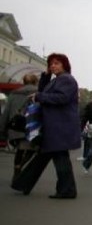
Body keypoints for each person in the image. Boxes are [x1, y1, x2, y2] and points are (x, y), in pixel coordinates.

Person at [11, 53, 81, 198]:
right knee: (46, 156)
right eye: (51, 64)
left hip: (60, 126)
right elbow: (43, 91)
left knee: (59, 158)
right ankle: (24, 184)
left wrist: (39, 97)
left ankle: (67, 190)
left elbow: (61, 98)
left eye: (56, 63)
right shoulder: (58, 79)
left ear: (64, 65)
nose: (53, 66)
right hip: (56, 125)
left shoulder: (66, 79)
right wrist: (46, 76)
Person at [0, 73, 39, 180]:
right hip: (31, 127)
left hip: (15, 127)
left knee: (20, 149)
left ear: (24, 82)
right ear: (36, 82)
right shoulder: (39, 93)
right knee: (31, 149)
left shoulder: (14, 94)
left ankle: (17, 169)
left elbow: (6, 112)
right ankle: (19, 168)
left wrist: (2, 129)